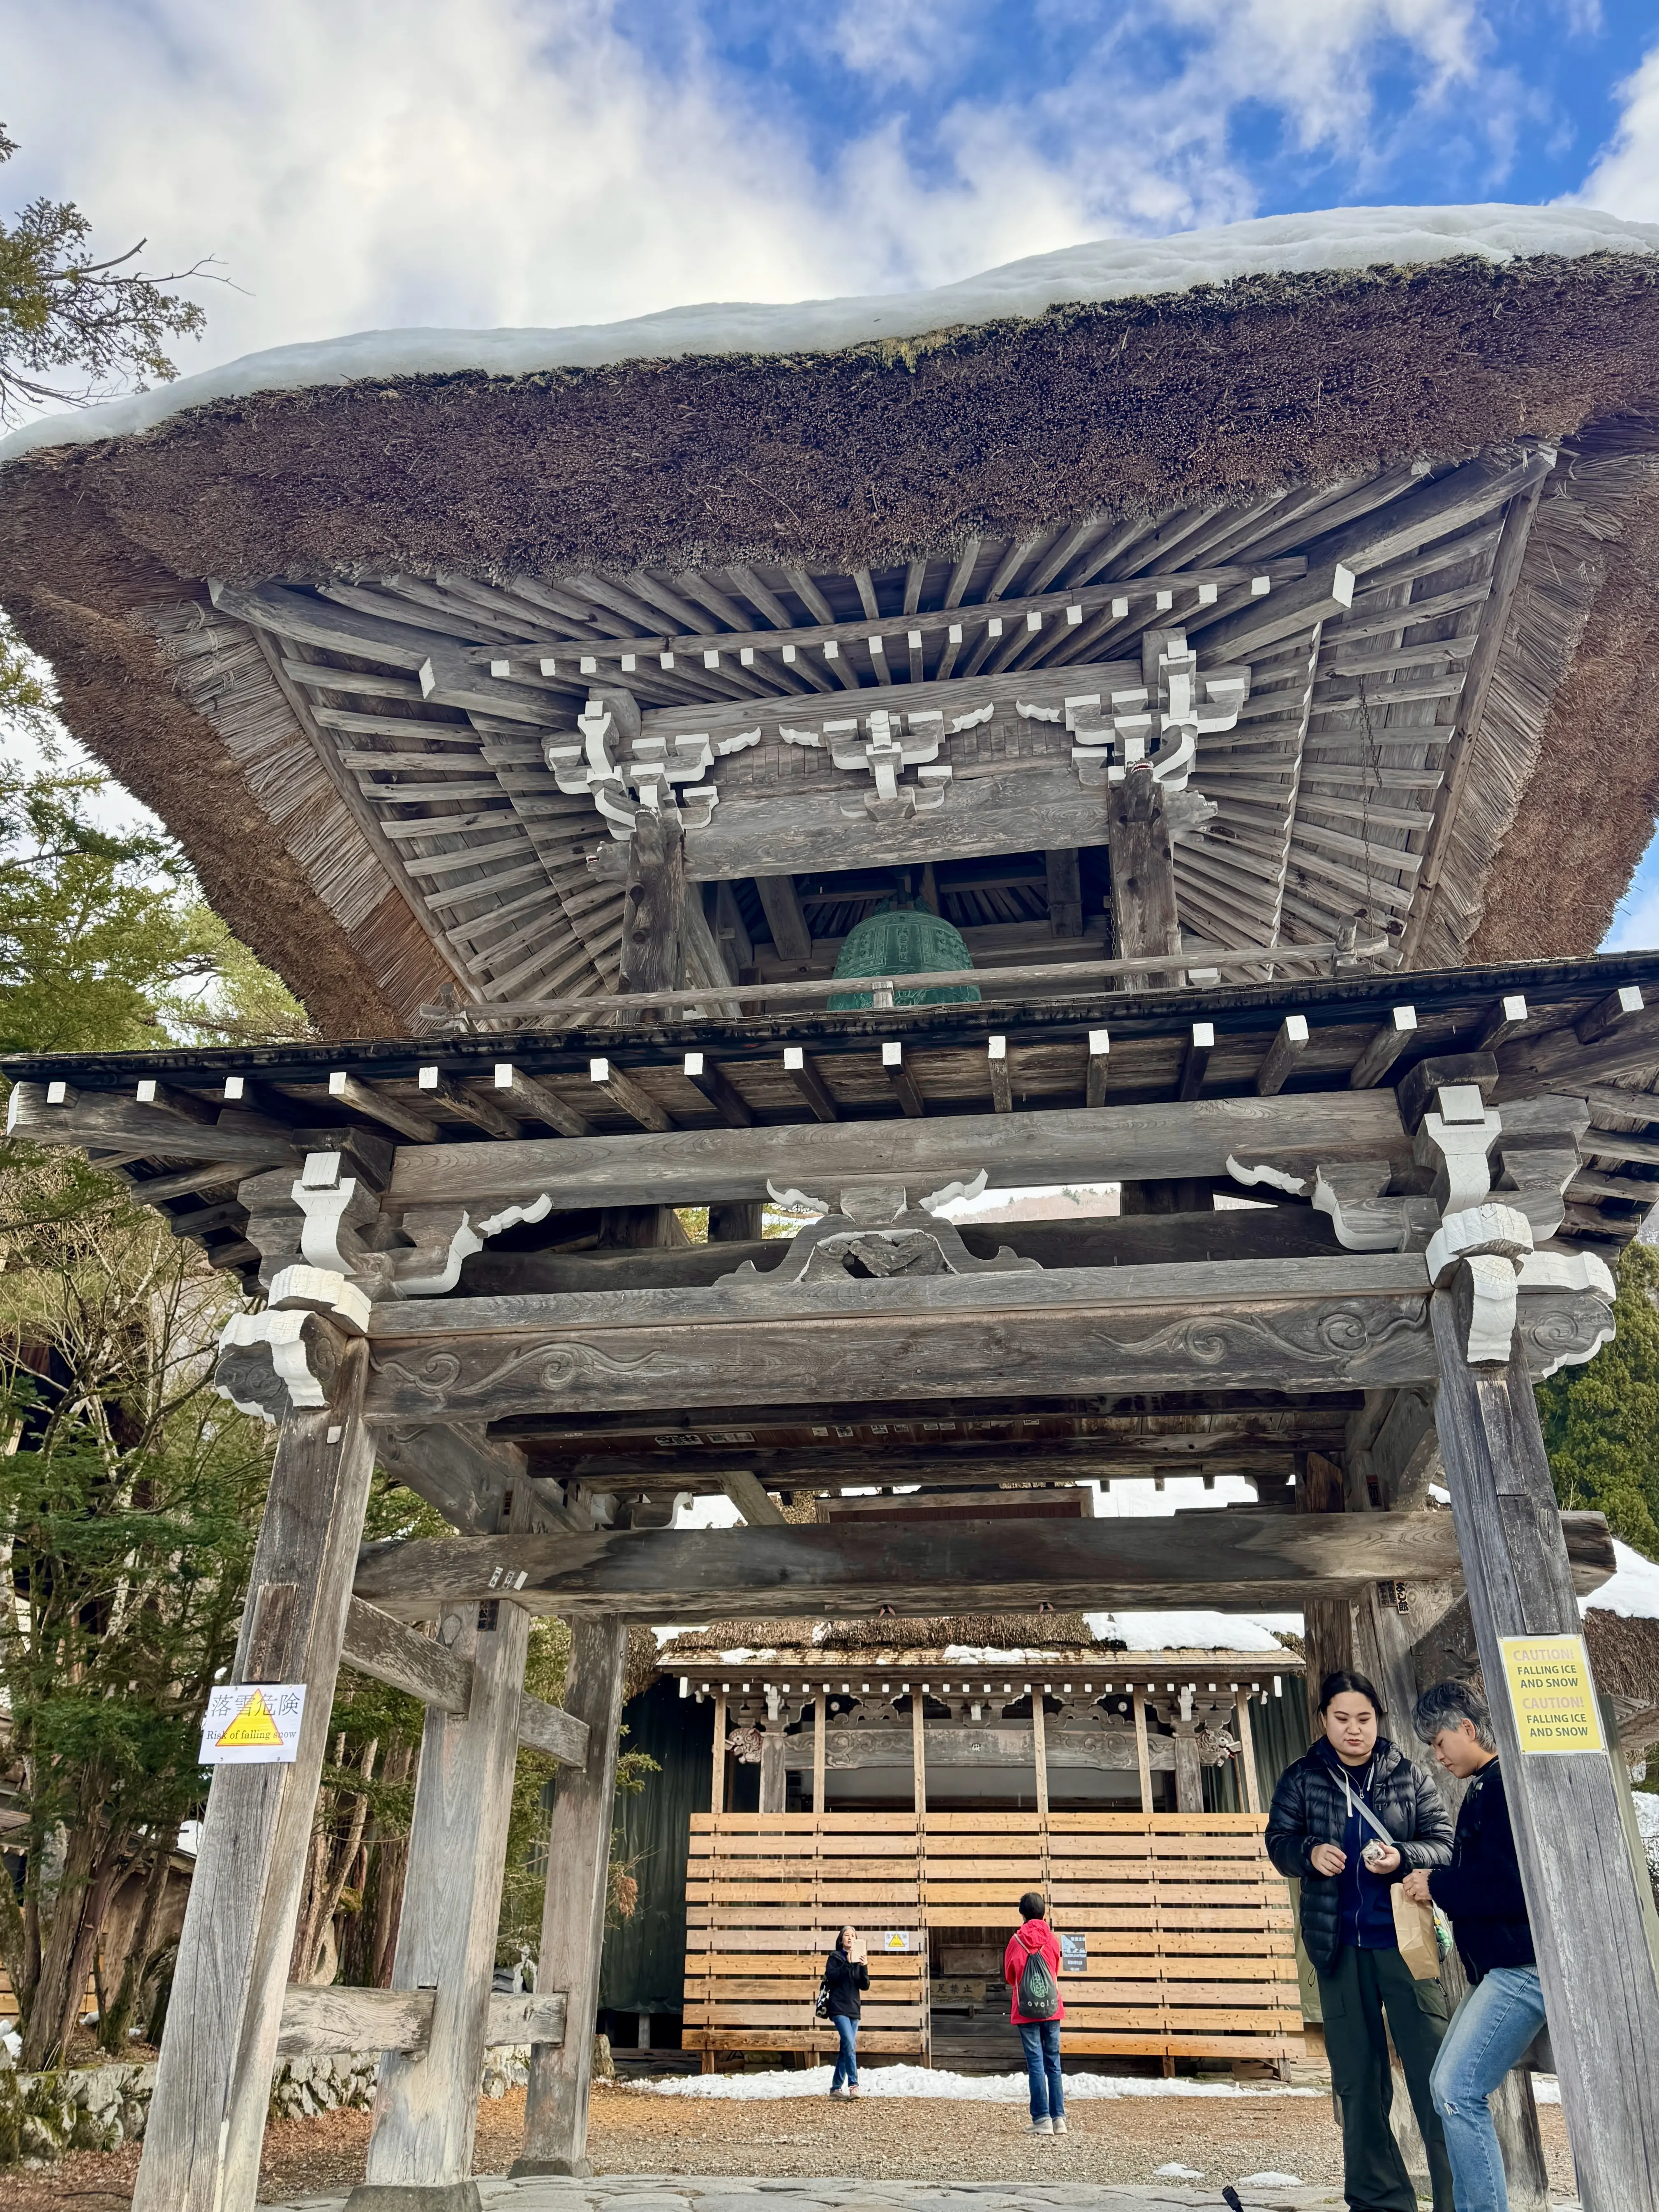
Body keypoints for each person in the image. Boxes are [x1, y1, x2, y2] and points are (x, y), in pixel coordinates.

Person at [1266, 1669, 1456, 2212]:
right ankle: (1380, 2199)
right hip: (1338, 1948)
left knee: (1436, 2072)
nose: (1354, 1729)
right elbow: (1279, 1841)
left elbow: (1443, 1844)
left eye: (1365, 1718)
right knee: (1358, 2080)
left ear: (1379, 1719)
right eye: (1342, 1718)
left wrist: (1405, 1855)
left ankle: (1457, 2196)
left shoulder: (1409, 1776)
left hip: (1404, 1944)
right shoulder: (1302, 1778)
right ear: (1324, 1719)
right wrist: (1309, 1853)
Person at [1404, 1681, 1545, 2212]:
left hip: (1521, 1967)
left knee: (1456, 2089)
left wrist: (1437, 1883)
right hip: (1504, 1968)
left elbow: (1512, 1884)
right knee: (1452, 2087)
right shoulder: (1491, 1784)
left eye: (1439, 1742)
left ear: (1467, 1728)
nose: (1437, 1756)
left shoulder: (1505, 1785)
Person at [1004, 1889, 1066, 2137]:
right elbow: (1055, 1971)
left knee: (1037, 2064)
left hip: (1026, 2010)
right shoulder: (1052, 1940)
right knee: (1054, 2064)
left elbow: (1010, 1975)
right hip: (1052, 2009)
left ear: (1022, 1914)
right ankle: (1059, 2119)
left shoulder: (1016, 1941)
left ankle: (1041, 2119)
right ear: (1043, 1913)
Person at [822, 1924, 868, 2099]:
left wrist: (864, 1966)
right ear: (841, 1940)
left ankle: (835, 2089)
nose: (850, 1938)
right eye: (847, 1935)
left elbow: (865, 1985)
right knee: (850, 2044)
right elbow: (832, 1977)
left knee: (846, 2047)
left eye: (853, 1936)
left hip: (854, 2008)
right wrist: (847, 1963)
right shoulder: (835, 1958)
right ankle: (854, 2085)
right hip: (838, 2008)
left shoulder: (859, 1959)